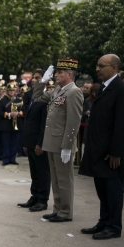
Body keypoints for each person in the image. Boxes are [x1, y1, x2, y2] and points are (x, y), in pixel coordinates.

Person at [78, 54, 124, 240]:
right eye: (97, 65)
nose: (97, 69)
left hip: (109, 154)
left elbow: (120, 123)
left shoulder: (119, 89)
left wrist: (115, 152)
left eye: (101, 66)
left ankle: (113, 226)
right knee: (101, 188)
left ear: (113, 68)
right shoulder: (105, 87)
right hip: (98, 149)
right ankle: (104, 221)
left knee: (112, 191)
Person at [33, 59, 83, 223]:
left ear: (69, 75)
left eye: (59, 73)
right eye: (56, 73)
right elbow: (37, 97)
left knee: (64, 180)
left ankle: (66, 211)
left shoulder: (74, 92)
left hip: (62, 144)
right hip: (52, 143)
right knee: (55, 179)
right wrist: (43, 81)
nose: (56, 75)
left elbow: (73, 122)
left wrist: (68, 146)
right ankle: (58, 209)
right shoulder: (57, 91)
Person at [18, 70, 51, 212]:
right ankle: (35, 196)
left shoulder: (46, 97)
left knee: (42, 171)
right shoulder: (31, 95)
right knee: (34, 171)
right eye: (33, 78)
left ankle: (43, 200)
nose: (34, 80)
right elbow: (28, 120)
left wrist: (40, 143)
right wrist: (26, 142)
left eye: (38, 78)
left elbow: (45, 123)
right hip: (30, 140)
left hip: (39, 142)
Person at [0, 83, 23, 166]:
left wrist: (18, 113)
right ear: (7, 91)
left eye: (13, 90)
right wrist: (9, 114)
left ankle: (13, 159)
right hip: (5, 125)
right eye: (10, 90)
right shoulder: (1, 100)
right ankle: (6, 159)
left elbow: (23, 110)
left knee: (15, 143)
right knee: (6, 143)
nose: (11, 92)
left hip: (16, 124)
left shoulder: (19, 100)